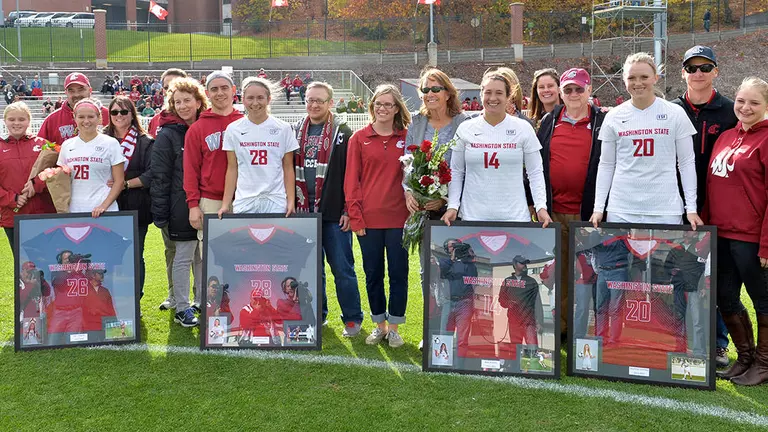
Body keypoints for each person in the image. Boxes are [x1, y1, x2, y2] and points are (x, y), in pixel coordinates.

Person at [672, 45, 737, 368]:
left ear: (715, 71)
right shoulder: (670, 110)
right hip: (678, 205)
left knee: (717, 279)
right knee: (680, 276)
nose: (698, 74)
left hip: (717, 206)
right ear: (683, 72)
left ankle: (718, 343)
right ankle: (681, 337)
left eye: (705, 67)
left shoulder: (730, 110)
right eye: (692, 68)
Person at [590, 52, 702, 228]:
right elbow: (606, 165)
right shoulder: (613, 117)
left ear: (656, 78)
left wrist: (691, 208)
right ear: (624, 80)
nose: (638, 83)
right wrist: (599, 207)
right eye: (632, 77)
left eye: (644, 77)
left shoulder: (675, 113)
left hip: (665, 210)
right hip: (622, 209)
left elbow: (686, 163)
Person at [536, 68, 606, 340]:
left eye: (579, 89)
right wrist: (538, 203)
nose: (574, 94)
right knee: (560, 273)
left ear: (589, 90)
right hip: (555, 211)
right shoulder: (550, 120)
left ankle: (589, 329)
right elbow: (537, 165)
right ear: (561, 93)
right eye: (568, 90)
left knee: (590, 274)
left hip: (589, 213)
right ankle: (563, 328)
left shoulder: (603, 121)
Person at [706, 77, 768, 386]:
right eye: (741, 100)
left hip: (752, 238)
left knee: (763, 301)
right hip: (721, 233)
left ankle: (765, 363)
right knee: (725, 296)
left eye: (754, 102)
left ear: (766, 106)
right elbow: (711, 186)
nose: (745, 107)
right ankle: (745, 357)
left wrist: (767, 244)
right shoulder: (726, 136)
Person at [293, 81, 363, 335]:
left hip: (334, 213)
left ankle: (352, 318)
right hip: (304, 212)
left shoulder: (343, 133)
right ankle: (317, 315)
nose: (313, 104)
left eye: (319, 101)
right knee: (311, 268)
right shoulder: (295, 131)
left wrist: (347, 210)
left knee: (343, 269)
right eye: (310, 100)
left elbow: (352, 175)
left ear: (330, 103)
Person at [345, 84, 411, 348]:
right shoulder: (359, 139)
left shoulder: (408, 137)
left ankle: (394, 327)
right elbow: (351, 181)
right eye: (378, 104)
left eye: (388, 104)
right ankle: (379, 325)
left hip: (399, 219)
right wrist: (356, 217)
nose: (383, 109)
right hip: (369, 221)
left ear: (397, 109)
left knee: (398, 273)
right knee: (373, 273)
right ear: (371, 107)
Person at [442, 70, 552, 226]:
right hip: (473, 217)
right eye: (488, 92)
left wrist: (541, 206)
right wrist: (453, 205)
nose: (493, 98)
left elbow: (535, 171)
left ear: (508, 96)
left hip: (515, 217)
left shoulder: (523, 128)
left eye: (499, 93)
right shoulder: (465, 128)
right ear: (481, 95)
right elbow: (456, 171)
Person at [151, 77, 209, 328]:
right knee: (183, 255)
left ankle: (199, 300)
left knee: (201, 256)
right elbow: (160, 175)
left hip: (205, 201)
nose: (183, 106)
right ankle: (182, 307)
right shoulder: (167, 134)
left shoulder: (207, 127)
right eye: (177, 102)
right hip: (180, 203)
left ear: (198, 102)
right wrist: (161, 212)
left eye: (187, 100)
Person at [183, 71, 243, 312]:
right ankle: (215, 309)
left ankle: (242, 304)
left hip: (244, 200)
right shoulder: (198, 128)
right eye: (214, 89)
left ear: (233, 90)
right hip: (209, 201)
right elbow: (190, 171)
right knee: (212, 258)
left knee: (243, 256)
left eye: (224, 88)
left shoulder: (245, 122)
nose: (220, 93)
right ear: (207, 94)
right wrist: (193, 204)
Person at [218, 77, 296, 216]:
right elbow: (232, 168)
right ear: (243, 99)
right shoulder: (233, 129)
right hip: (245, 201)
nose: (255, 103)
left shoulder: (283, 128)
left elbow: (288, 167)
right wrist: (225, 204)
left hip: (275, 201)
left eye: (260, 97)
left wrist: (290, 201)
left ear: (269, 99)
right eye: (250, 98)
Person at [104, 95, 154, 298]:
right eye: (114, 112)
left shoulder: (145, 142)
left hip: (136, 206)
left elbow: (152, 174)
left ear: (132, 114)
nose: (119, 116)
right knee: (108, 256)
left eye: (124, 111)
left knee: (134, 256)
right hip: (106, 206)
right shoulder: (101, 140)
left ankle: (134, 299)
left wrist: (123, 184)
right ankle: (109, 297)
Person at [0, 102, 56, 255]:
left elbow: (59, 171)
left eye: (21, 119)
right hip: (13, 216)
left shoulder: (44, 145)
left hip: (43, 214)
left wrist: (37, 183)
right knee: (23, 265)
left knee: (48, 260)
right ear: (5, 121)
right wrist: (12, 199)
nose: (16, 123)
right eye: (12, 119)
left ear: (29, 121)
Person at [57, 98, 125, 217]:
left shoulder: (111, 143)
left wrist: (103, 206)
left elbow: (119, 181)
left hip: (104, 211)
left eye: (91, 116)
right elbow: (62, 181)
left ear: (99, 118)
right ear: (74, 118)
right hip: (74, 210)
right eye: (81, 117)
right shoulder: (67, 145)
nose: (86, 121)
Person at [38, 73, 109, 146]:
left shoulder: (109, 115)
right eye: (71, 91)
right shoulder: (52, 120)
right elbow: (40, 149)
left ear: (90, 90)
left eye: (81, 90)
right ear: (66, 93)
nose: (77, 95)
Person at [499, 256, 543, 353]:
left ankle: (532, 367)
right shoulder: (507, 281)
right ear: (515, 265)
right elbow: (501, 300)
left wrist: (540, 321)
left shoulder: (532, 282)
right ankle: (515, 368)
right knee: (515, 351)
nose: (525, 265)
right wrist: (509, 303)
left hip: (529, 322)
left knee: (533, 350)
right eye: (522, 263)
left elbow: (538, 303)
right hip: (514, 321)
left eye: (525, 263)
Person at [148, 68, 188, 138]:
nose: (170, 91)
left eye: (175, 87)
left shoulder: (195, 119)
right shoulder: (155, 121)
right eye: (166, 88)